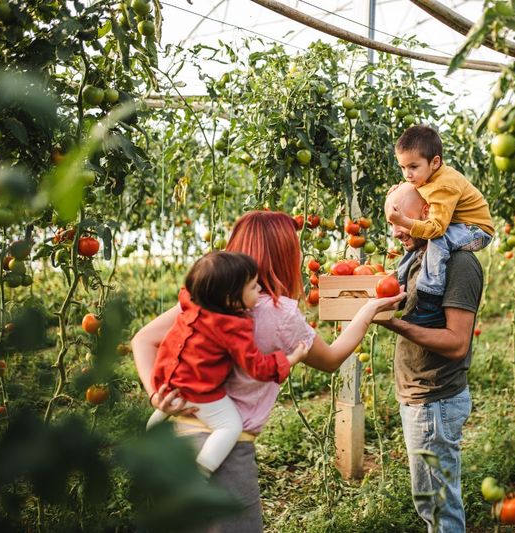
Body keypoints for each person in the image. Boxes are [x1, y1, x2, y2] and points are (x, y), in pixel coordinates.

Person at [131, 211, 404, 532]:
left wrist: (157, 395)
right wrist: (367, 311)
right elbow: (331, 359)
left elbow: (143, 340)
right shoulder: (280, 313)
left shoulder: (207, 298)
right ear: (285, 254)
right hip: (224, 455)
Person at [376, 183, 483, 533]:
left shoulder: (458, 263)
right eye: (391, 222)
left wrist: (394, 324)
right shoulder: (420, 257)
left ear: (427, 213)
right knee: (431, 503)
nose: (396, 231)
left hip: (435, 401)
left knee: (438, 507)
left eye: (400, 219)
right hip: (421, 398)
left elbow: (456, 343)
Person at [146, 251, 309, 475]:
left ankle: (148, 436)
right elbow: (258, 367)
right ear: (231, 300)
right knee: (229, 427)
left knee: (168, 406)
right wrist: (291, 359)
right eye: (253, 287)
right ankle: (202, 472)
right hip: (197, 389)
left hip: (168, 378)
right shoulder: (232, 327)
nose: (259, 289)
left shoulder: (190, 302)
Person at [387, 124, 494, 328]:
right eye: (402, 167)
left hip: (477, 230)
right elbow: (415, 189)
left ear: (435, 162)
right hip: (459, 225)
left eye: (413, 167)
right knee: (416, 246)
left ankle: (429, 302)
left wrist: (403, 221)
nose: (407, 174)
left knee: (437, 240)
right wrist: (400, 190)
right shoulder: (427, 176)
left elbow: (436, 228)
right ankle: (400, 286)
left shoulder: (444, 185)